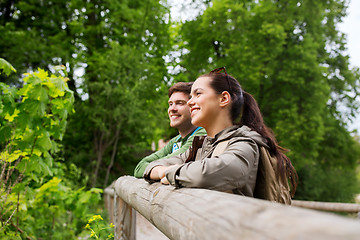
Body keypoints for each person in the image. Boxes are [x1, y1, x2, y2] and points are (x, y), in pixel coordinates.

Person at [143, 67, 298, 197]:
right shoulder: (201, 147)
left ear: (223, 98)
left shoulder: (244, 143)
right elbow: (150, 167)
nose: (190, 102)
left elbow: (219, 171)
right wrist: (165, 171)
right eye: (190, 96)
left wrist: (170, 174)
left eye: (198, 94)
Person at [134, 82, 207, 178]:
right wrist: (161, 171)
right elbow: (139, 168)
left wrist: (154, 170)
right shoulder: (175, 141)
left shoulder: (203, 133)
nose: (172, 109)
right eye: (170, 104)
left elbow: (175, 161)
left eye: (179, 103)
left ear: (193, 106)